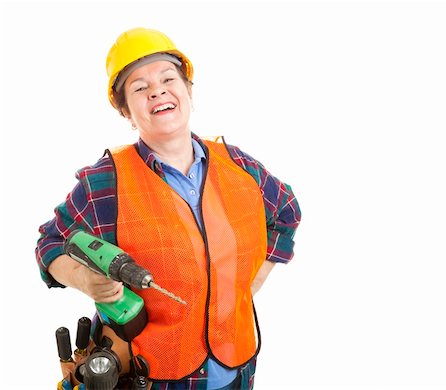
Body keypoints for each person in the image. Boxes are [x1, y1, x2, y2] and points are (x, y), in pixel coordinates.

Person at [36, 27, 301, 390]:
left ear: (188, 91)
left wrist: (246, 285)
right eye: (139, 87)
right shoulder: (105, 183)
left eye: (167, 78)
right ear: (127, 112)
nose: (157, 90)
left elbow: (286, 213)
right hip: (151, 377)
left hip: (235, 371)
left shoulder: (239, 166)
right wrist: (87, 281)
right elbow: (49, 245)